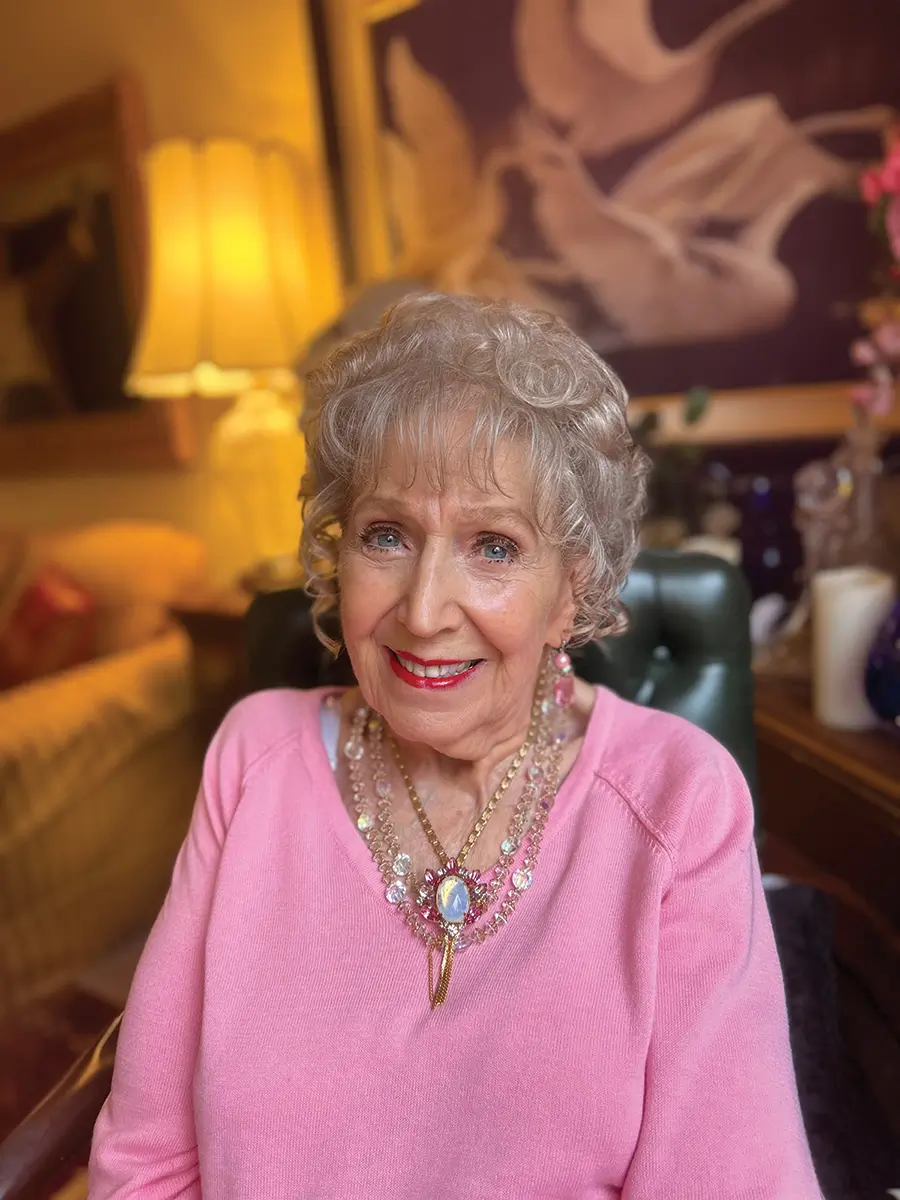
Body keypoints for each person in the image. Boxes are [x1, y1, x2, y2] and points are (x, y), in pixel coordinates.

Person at [89, 294, 821, 1198]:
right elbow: (146, 1166)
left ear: (571, 591)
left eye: (495, 546)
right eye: (386, 536)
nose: (425, 611)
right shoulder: (254, 761)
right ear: (336, 555)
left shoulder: (676, 800)